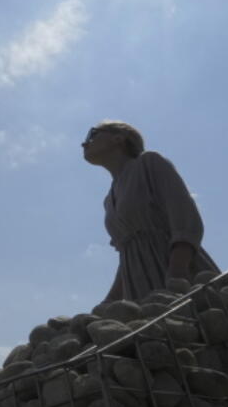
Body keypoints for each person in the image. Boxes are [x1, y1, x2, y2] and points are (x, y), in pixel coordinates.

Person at [81, 120, 219, 302]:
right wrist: (108, 303)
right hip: (140, 291)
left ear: (118, 138)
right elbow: (128, 256)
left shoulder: (149, 162)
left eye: (92, 135)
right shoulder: (108, 200)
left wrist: (177, 272)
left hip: (179, 276)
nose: (84, 143)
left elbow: (185, 220)